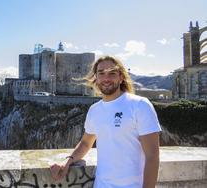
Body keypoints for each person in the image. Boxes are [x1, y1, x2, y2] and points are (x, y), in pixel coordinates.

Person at [50, 56, 161, 188]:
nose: (106, 78)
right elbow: (86, 143)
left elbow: (152, 156)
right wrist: (68, 161)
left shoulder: (140, 105)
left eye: (112, 73)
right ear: (96, 78)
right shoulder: (94, 110)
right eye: (101, 73)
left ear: (121, 77)